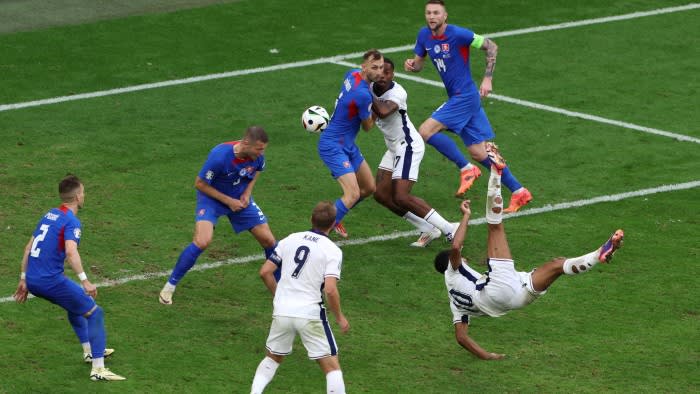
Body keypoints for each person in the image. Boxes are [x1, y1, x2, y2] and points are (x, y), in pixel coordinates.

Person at [434, 150, 624, 359]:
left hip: (514, 300)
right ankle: (496, 171)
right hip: (496, 290)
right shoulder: (452, 271)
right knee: (495, 226)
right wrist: (466, 216)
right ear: (451, 264)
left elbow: (461, 337)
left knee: (557, 265)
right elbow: (455, 247)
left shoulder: (454, 303)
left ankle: (600, 253)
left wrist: (487, 356)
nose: (464, 258)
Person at [404, 0, 532, 213]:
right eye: (428, 13)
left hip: (464, 97)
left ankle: (466, 169)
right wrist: (411, 65)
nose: (431, 16)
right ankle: (519, 191)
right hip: (460, 97)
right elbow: (418, 64)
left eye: (436, 13)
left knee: (425, 131)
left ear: (445, 16)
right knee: (479, 152)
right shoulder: (423, 35)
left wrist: (487, 79)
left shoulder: (459, 34)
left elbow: (491, 46)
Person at [13, 175, 126, 381]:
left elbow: (28, 248)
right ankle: (98, 370)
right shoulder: (71, 221)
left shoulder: (50, 214)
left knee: (76, 307)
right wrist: (85, 280)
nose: (84, 196)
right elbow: (71, 252)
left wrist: (23, 279)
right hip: (50, 281)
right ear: (77, 197)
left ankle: (89, 351)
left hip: (33, 279)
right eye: (83, 192)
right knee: (95, 312)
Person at [159, 126, 278, 305]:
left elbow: (257, 171)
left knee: (269, 240)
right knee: (202, 241)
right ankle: (169, 287)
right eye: (259, 148)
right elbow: (199, 184)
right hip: (212, 199)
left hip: (239, 198)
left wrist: (247, 193)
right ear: (246, 143)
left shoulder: (257, 157)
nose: (261, 153)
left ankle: (280, 285)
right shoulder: (220, 156)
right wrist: (228, 201)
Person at [251, 201, 348, 394]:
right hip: (310, 313)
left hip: (283, 310)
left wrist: (279, 295)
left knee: (272, 358)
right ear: (333, 223)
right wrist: (339, 317)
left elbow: (265, 272)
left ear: (311, 219)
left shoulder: (290, 239)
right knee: (331, 367)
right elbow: (330, 289)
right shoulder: (332, 250)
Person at [371, 57, 459, 247]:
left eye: (388, 72)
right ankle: (428, 229)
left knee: (401, 196)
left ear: (393, 74)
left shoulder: (398, 93)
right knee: (381, 194)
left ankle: (449, 228)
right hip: (394, 146)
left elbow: (384, 111)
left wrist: (363, 92)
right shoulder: (369, 88)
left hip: (409, 144)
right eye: (380, 72)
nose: (383, 76)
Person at [318, 49, 384, 238]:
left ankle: (335, 216)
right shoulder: (363, 95)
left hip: (346, 144)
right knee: (353, 193)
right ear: (364, 66)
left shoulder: (352, 73)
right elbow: (367, 127)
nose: (379, 72)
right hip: (333, 146)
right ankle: (319, 235)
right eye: (374, 68)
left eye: (381, 67)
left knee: (369, 188)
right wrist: (380, 109)